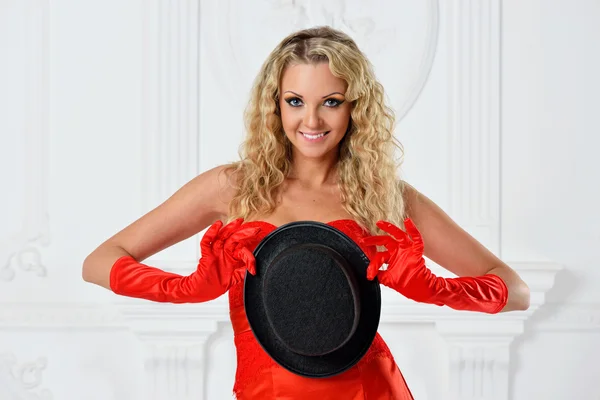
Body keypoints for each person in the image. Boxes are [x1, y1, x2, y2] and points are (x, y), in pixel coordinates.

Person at [82, 26, 530, 399]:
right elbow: (98, 262)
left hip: (369, 389)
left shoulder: (386, 196)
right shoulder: (231, 187)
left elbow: (516, 291)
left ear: (356, 107)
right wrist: (187, 288)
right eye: (295, 101)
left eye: (331, 102)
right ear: (274, 105)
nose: (311, 121)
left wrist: (433, 288)